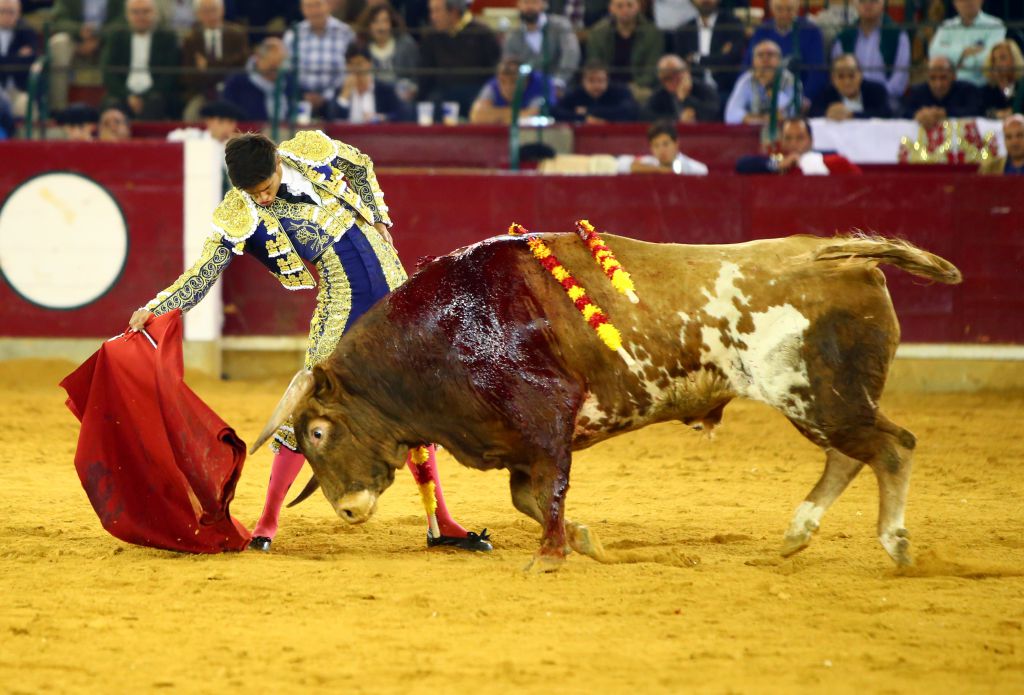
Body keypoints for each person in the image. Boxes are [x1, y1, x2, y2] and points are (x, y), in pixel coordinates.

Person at [127, 130, 492, 553]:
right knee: (304, 410)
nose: (261, 199)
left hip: (397, 300)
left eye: (265, 187)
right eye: (252, 192)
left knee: (416, 411)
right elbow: (204, 270)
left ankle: (440, 522)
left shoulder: (308, 153)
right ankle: (266, 524)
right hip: (343, 310)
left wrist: (376, 216)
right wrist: (157, 309)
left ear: (278, 164)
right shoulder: (240, 210)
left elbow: (359, 163)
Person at [418, 0, 501, 118]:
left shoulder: (482, 33)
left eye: (436, 11)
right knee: (432, 103)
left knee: (481, 107)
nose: (432, 17)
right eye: (431, 11)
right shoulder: (431, 37)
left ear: (453, 12)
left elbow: (494, 70)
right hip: (442, 92)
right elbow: (425, 74)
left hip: (476, 92)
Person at [100, 0, 181, 119]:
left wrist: (144, 97)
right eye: (135, 12)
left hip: (156, 93)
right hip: (122, 93)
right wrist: (128, 96)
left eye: (146, 12)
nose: (141, 17)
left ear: (155, 13)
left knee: (157, 102)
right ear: (127, 15)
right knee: (111, 105)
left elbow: (170, 75)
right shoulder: (116, 37)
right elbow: (108, 73)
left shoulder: (167, 38)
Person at [830, 0, 910, 113]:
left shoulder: (898, 36)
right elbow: (836, 76)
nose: (868, 4)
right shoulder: (843, 38)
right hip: (849, 101)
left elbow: (900, 79)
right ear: (854, 3)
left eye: (873, 1)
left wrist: (876, 95)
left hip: (885, 102)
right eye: (862, 1)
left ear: (883, 2)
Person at [283, 0, 356, 119]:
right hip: (300, 98)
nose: (314, 11)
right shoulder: (293, 35)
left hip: (336, 97)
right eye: (309, 6)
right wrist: (303, 95)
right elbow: (287, 71)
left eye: (317, 5)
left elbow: (352, 68)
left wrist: (326, 96)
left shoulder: (346, 32)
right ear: (302, 10)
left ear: (328, 5)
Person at [743, 0, 827, 103]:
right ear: (771, 8)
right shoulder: (761, 30)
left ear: (797, 8)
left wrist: (804, 98)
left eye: (789, 9)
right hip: (761, 97)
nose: (784, 14)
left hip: (800, 95)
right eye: (779, 9)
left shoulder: (811, 30)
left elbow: (817, 71)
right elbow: (747, 66)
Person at [180, 0, 249, 121]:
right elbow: (188, 76)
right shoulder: (191, 39)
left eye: (213, 10)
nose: (211, 16)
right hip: (202, 93)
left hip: (234, 93)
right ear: (198, 14)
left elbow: (241, 67)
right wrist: (224, 66)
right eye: (205, 11)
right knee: (191, 114)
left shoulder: (237, 34)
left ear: (222, 10)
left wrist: (209, 66)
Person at [672, 0, 746, 103]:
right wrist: (718, 57)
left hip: (726, 90)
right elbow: (682, 66)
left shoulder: (732, 25)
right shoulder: (684, 30)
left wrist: (696, 58)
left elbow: (730, 60)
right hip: (694, 92)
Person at [502, 0, 580, 98]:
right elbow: (510, 66)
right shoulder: (513, 36)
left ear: (543, 4)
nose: (529, 7)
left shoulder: (560, 25)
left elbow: (571, 55)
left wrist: (559, 82)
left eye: (534, 2)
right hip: (526, 92)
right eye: (526, 2)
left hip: (563, 89)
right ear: (518, 5)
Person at [736, 116, 862, 175]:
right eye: (788, 138)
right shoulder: (776, 159)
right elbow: (742, 164)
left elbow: (857, 178)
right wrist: (779, 164)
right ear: (782, 141)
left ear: (811, 141)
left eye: (800, 138)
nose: (794, 143)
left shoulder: (828, 157)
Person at [585, 0, 662, 95]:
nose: (625, 10)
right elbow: (594, 64)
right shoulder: (598, 33)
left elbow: (652, 70)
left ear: (638, 7)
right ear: (611, 8)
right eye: (619, 6)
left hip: (638, 88)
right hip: (605, 86)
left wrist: (633, 86)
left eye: (630, 5)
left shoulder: (652, 33)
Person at [928, 0, 1005, 87]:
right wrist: (963, 52)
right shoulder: (946, 26)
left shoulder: (996, 25)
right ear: (955, 3)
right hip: (949, 89)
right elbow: (933, 53)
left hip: (980, 87)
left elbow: (989, 59)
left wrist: (953, 58)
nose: (968, 2)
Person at [327, 42, 409, 123]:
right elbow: (331, 119)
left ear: (369, 64)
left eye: (359, 63)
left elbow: (401, 114)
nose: (356, 68)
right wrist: (344, 97)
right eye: (351, 64)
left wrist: (381, 117)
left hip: (377, 135)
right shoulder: (340, 90)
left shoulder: (384, 89)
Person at [354, 2, 419, 103]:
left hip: (400, 99)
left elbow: (416, 77)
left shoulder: (406, 44)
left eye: (385, 21)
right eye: (375, 22)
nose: (381, 27)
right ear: (368, 25)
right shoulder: (361, 48)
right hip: (372, 99)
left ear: (391, 23)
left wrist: (409, 90)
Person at [222, 37, 295, 122]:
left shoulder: (289, 81)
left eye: (280, 64)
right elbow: (228, 115)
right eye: (272, 65)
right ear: (258, 59)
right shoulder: (237, 82)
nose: (277, 69)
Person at [724, 39, 796, 125]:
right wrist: (761, 120)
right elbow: (730, 115)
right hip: (752, 133)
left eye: (770, 55)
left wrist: (770, 87)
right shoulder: (746, 80)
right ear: (753, 61)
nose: (765, 59)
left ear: (779, 60)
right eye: (760, 55)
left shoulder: (790, 80)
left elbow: (791, 113)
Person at [903, 55, 982, 129]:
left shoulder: (967, 90)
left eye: (943, 77)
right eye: (933, 78)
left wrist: (945, 113)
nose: (938, 84)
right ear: (927, 77)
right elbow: (904, 113)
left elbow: (976, 112)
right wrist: (917, 115)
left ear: (953, 76)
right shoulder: (916, 92)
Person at [469, 56, 551, 125]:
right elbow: (476, 115)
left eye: (513, 81)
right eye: (503, 82)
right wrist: (516, 115)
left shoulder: (540, 83)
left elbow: (534, 116)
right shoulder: (492, 85)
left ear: (526, 80)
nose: (508, 87)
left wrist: (495, 115)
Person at [551, 59, 639, 122]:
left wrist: (589, 111)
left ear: (607, 80)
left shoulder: (620, 92)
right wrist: (584, 119)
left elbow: (629, 110)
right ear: (583, 81)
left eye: (601, 81)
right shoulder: (576, 94)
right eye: (591, 81)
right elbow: (556, 111)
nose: (596, 85)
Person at [809, 53, 891, 120]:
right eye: (841, 76)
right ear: (833, 79)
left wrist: (852, 115)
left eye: (851, 75)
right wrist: (828, 113)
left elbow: (886, 114)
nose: (847, 82)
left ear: (860, 75)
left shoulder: (877, 91)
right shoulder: (825, 93)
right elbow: (813, 114)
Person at [644, 53, 720, 123]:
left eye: (675, 75)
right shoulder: (660, 95)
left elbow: (712, 114)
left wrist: (686, 98)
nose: (672, 81)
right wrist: (677, 119)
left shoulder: (704, 89)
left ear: (686, 72)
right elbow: (646, 116)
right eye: (666, 78)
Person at [616, 119, 709, 174]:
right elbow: (620, 164)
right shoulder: (649, 162)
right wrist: (659, 170)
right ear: (651, 148)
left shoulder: (696, 169)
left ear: (676, 144)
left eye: (666, 144)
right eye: (656, 146)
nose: (661, 150)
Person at [0, 0, 39, 118]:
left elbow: (30, 61)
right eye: (2, 11)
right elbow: (20, 62)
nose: (7, 16)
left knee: (26, 104)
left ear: (19, 13)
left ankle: (27, 136)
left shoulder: (27, 31)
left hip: (16, 89)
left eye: (11, 12)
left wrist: (4, 62)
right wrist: (16, 58)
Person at [981, 40, 1024, 120]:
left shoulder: (1021, 86)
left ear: (1014, 60)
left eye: (1002, 58)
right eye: (994, 60)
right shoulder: (987, 90)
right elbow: (982, 112)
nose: (998, 63)